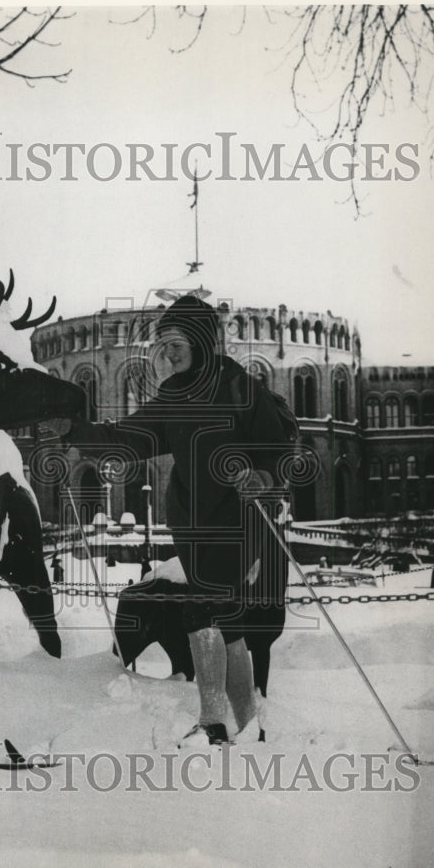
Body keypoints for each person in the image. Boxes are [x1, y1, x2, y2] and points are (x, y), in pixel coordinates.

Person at [62, 295, 289, 745]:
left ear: (202, 341)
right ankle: (247, 722)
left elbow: (281, 444)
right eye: (163, 345)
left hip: (237, 519)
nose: (168, 352)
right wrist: (75, 432)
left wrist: (263, 475)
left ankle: (213, 722)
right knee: (227, 619)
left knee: (201, 609)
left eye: (175, 342)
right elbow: (127, 438)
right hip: (193, 524)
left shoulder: (240, 389)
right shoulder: (173, 396)